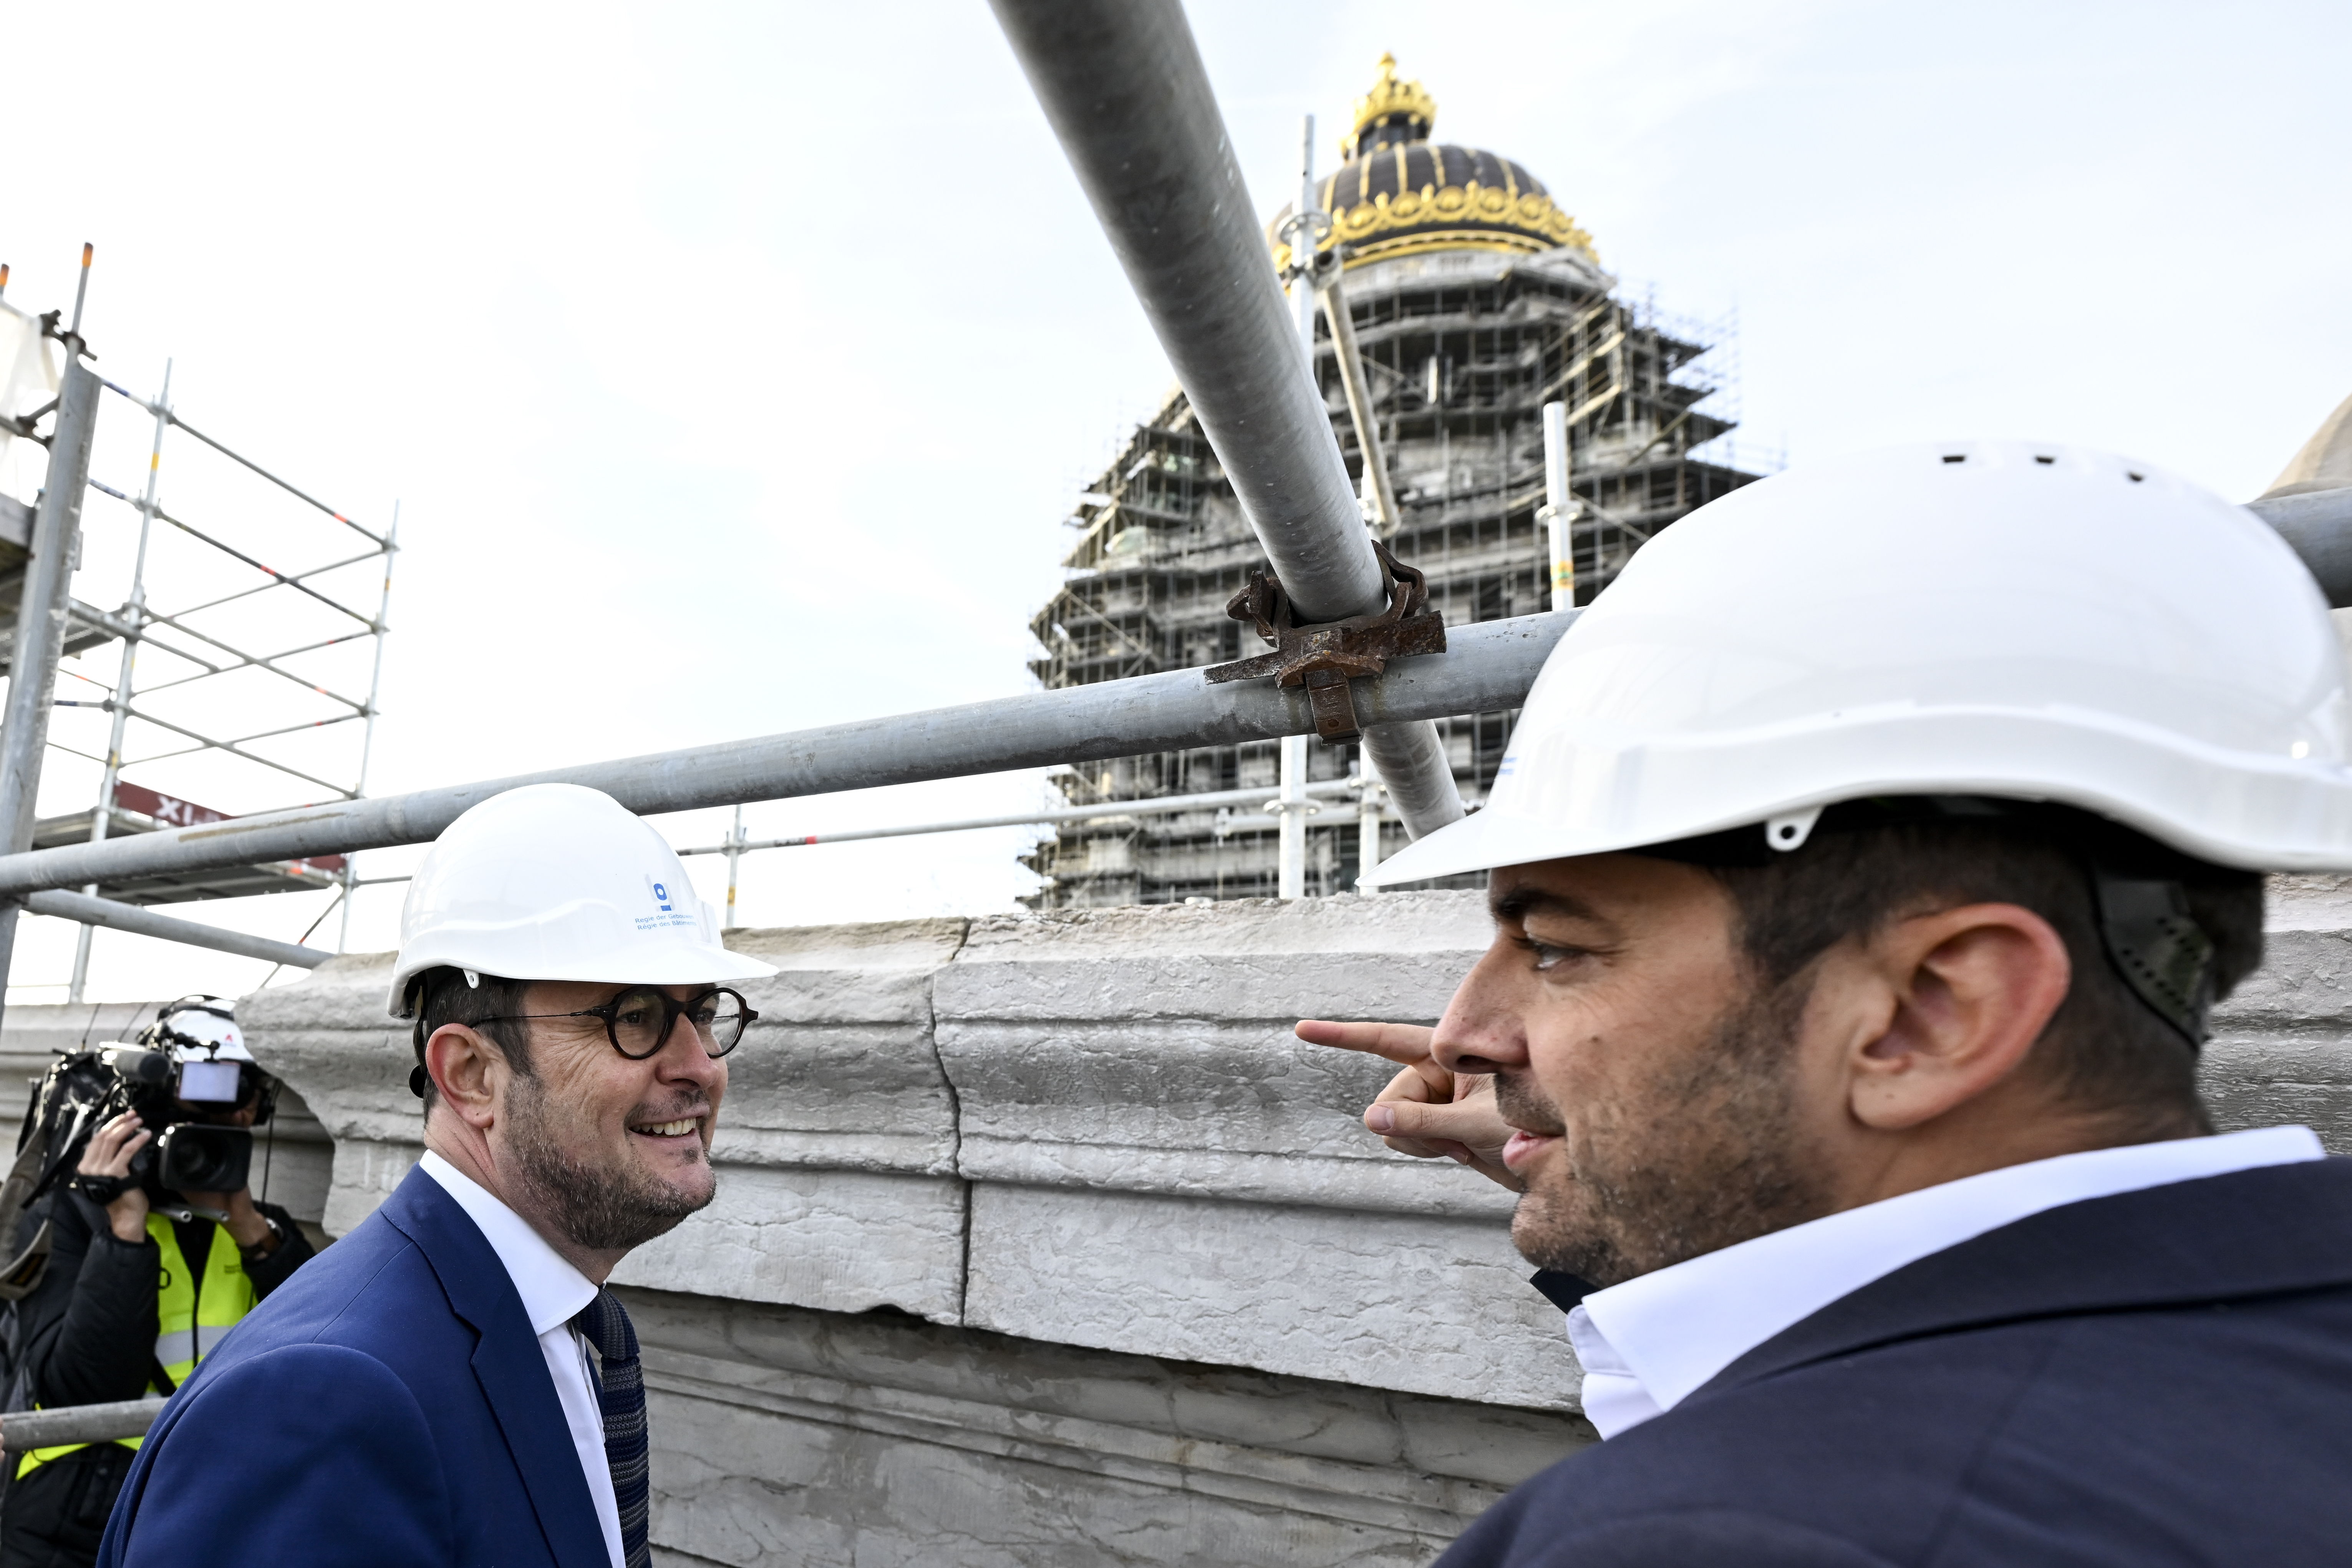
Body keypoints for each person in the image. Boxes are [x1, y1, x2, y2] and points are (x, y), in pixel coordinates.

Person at [1303, 441, 2352, 1565]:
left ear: (1927, 1011)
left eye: (1555, 947)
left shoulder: (1724, 1533)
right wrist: (1637, 1165)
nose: (1462, 1033)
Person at [94, 782, 777, 1568]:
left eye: (701, 1011)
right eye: (635, 1016)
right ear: (472, 1075)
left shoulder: (540, 1326)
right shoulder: (324, 1400)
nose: (699, 1067)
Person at [0, 1000, 312, 1568]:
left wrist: (247, 1224)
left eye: (240, 1111)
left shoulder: (260, 1230)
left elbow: (321, 1348)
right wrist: (123, 1228)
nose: (221, 1133)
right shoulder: (72, 1215)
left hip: (207, 1499)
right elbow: (85, 1388)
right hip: (73, 1510)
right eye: (205, 1111)